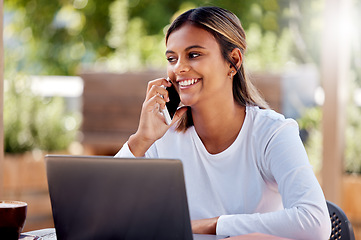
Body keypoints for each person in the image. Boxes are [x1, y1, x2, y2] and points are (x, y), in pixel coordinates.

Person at [115, 6, 331, 239]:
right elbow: (103, 211)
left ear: (233, 61)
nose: (179, 68)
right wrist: (141, 140)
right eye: (171, 58)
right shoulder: (162, 136)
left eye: (194, 54)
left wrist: (212, 225)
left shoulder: (272, 133)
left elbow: (314, 223)